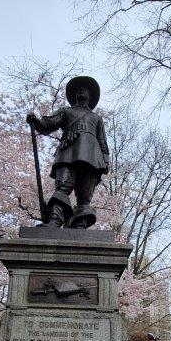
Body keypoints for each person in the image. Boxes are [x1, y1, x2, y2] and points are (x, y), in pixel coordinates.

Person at [26, 76, 109, 229]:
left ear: (91, 96)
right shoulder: (66, 111)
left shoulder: (97, 118)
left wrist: (106, 160)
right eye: (79, 90)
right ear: (75, 95)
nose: (81, 92)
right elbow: (49, 123)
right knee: (63, 186)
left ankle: (80, 225)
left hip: (92, 156)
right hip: (69, 152)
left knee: (85, 196)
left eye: (85, 90)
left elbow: (102, 141)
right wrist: (37, 122)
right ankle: (55, 221)